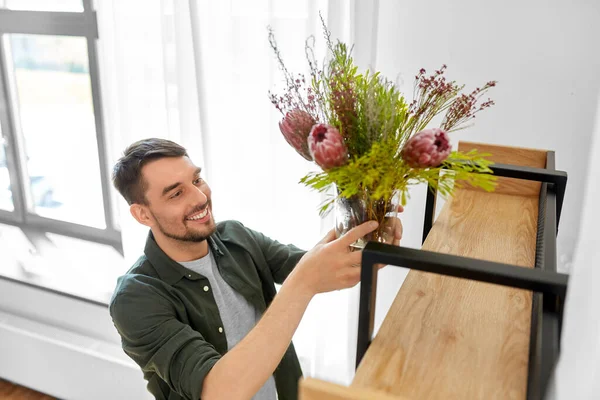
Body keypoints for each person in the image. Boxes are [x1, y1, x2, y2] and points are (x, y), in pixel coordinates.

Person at [109, 138, 403, 400]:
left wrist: (371, 233)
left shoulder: (236, 237)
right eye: (176, 194)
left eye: (197, 180)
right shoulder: (135, 299)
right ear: (142, 213)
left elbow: (330, 269)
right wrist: (302, 285)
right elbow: (219, 392)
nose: (200, 198)